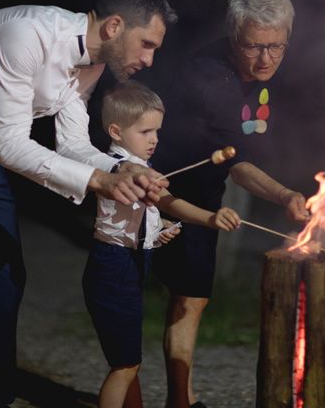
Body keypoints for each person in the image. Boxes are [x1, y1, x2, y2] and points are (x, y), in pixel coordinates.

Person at [0, 0, 177, 408]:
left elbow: (73, 145)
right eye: (146, 44)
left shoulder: (94, 63)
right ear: (114, 26)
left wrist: (124, 168)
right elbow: (12, 147)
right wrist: (101, 182)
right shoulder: (27, 34)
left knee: (8, 271)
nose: (149, 58)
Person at [151, 0, 310, 408]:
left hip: (203, 189)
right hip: (161, 189)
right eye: (255, 47)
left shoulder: (255, 71)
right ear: (233, 38)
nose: (266, 59)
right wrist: (284, 194)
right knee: (176, 297)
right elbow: (236, 166)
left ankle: (179, 400)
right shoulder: (210, 80)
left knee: (192, 297)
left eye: (276, 47)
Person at [82, 81, 241, 408]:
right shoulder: (117, 168)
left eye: (157, 131)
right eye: (145, 132)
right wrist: (210, 219)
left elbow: (126, 220)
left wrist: (157, 232)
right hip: (114, 268)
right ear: (115, 131)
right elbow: (168, 201)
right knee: (124, 366)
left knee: (129, 360)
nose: (155, 139)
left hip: (126, 263)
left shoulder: (138, 167)